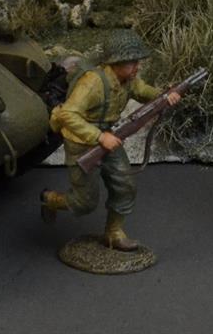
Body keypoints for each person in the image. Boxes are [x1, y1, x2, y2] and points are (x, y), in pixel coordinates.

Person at [39, 29, 182, 251]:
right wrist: (99, 136)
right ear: (116, 61)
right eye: (132, 62)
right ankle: (50, 200)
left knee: (125, 185)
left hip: (111, 137)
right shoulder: (93, 82)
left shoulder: (128, 80)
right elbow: (68, 114)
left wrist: (165, 96)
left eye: (138, 61)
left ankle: (114, 233)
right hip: (82, 141)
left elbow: (143, 91)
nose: (137, 67)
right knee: (84, 203)